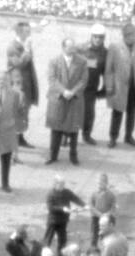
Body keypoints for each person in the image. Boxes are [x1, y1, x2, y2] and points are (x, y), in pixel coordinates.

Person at [105, 20, 135, 147]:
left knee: (132, 112)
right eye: (130, 36)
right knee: (117, 112)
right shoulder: (115, 47)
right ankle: (113, 137)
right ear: (124, 36)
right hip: (119, 87)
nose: (133, 38)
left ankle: (128, 136)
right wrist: (109, 85)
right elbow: (109, 69)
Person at [46, 37, 88, 165]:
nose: (72, 49)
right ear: (63, 48)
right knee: (56, 128)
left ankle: (73, 156)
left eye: (73, 47)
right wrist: (63, 91)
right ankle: (53, 155)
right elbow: (52, 79)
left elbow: (83, 80)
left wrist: (73, 92)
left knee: (74, 129)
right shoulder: (54, 61)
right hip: (58, 99)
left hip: (74, 99)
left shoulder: (82, 61)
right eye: (69, 47)